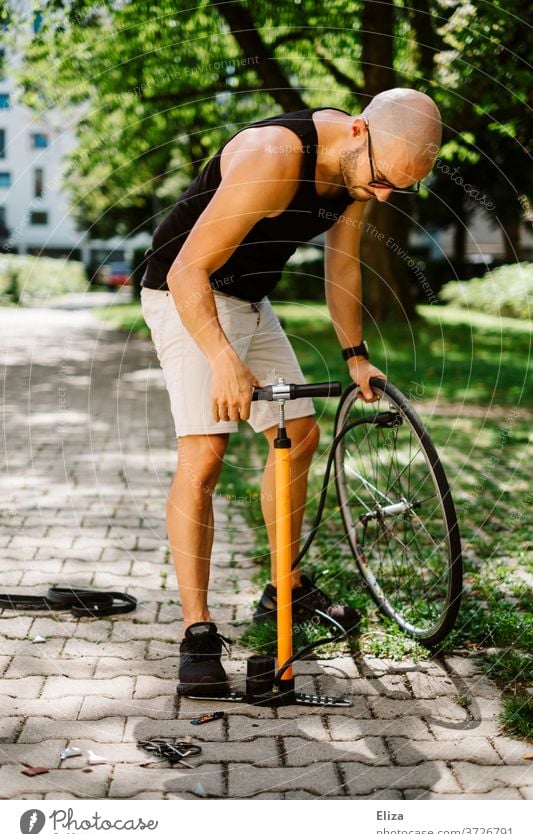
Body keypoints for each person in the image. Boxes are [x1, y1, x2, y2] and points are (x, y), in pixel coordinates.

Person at [140, 87, 442, 695]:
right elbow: (184, 272)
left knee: (299, 435)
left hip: (250, 300)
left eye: (399, 189)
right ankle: (196, 632)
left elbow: (343, 262)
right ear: (359, 131)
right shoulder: (272, 155)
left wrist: (355, 356)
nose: (383, 194)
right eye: (383, 179)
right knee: (204, 458)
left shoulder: (362, 175)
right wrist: (224, 360)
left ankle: (286, 588)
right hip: (185, 298)